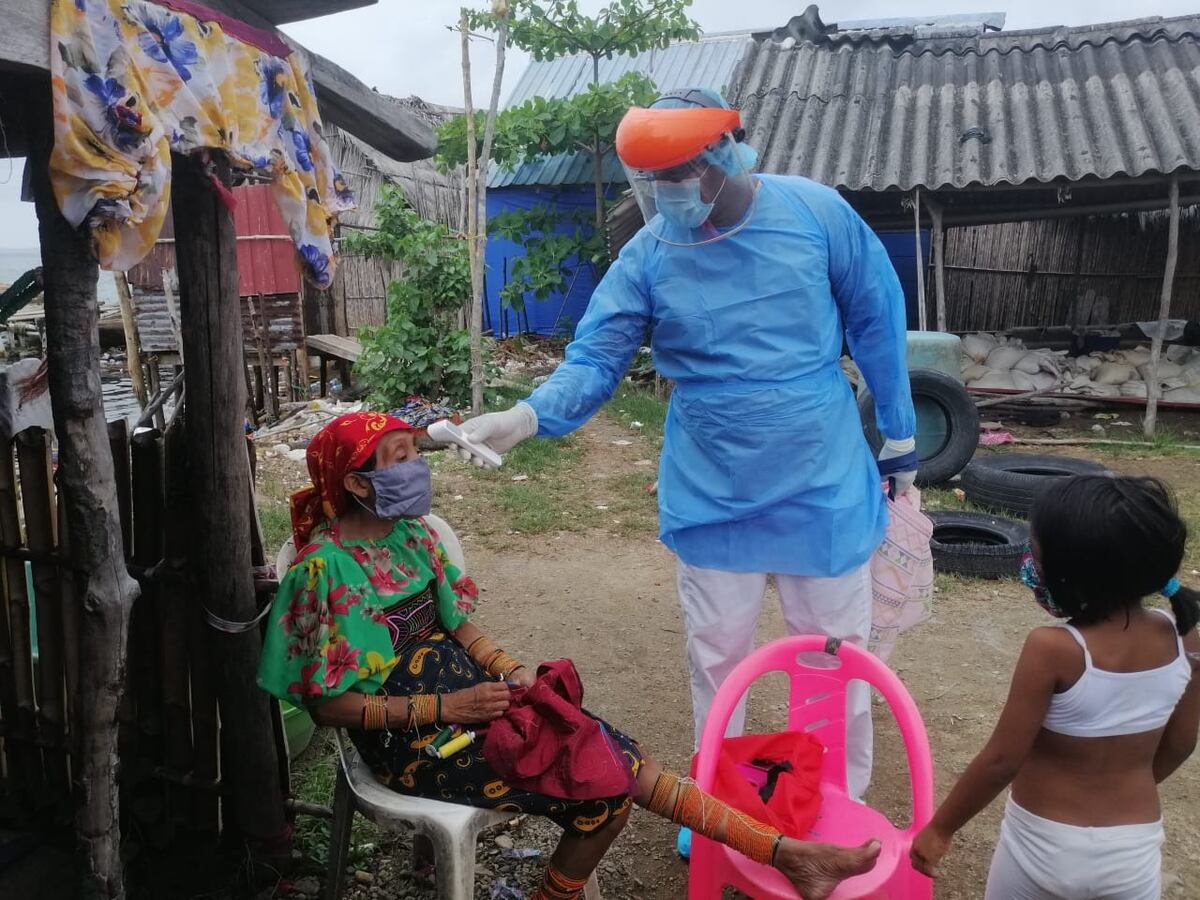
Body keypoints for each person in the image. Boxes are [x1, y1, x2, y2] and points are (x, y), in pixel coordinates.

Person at [452, 88, 917, 850]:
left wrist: (899, 435)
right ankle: (719, 807)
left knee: (833, 661)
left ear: (727, 153)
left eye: (679, 172)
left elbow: (876, 317)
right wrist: (527, 417)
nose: (666, 191)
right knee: (718, 660)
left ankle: (831, 803)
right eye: (650, 177)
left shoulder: (816, 215)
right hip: (714, 492)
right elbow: (596, 356)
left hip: (821, 483)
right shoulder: (649, 255)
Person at [257, 412, 880, 900]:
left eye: (417, 453)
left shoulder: (413, 535)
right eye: (401, 459)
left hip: (480, 705)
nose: (419, 467)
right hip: (412, 742)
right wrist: (452, 704)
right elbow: (329, 705)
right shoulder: (322, 573)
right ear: (360, 483)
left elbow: (459, 628)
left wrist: (508, 671)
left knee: (613, 756)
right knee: (606, 796)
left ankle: (789, 856)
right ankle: (788, 856)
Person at [911, 475, 1200, 899]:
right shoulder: (1187, 638)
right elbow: (1180, 743)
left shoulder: (1054, 649)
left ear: (1074, 575)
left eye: (1040, 557)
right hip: (1132, 847)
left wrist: (940, 829)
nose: (1031, 564)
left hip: (1042, 844)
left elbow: (1002, 761)